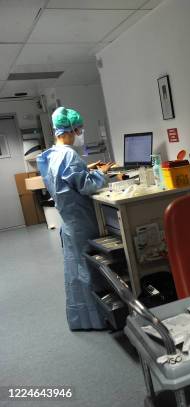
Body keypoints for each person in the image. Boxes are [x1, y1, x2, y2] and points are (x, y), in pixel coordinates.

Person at [37, 107, 114, 330]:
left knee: (76, 272)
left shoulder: (52, 154)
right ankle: (99, 319)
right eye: (79, 129)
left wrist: (86, 168)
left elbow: (63, 179)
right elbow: (86, 185)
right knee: (90, 270)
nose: (80, 133)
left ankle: (82, 318)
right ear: (71, 129)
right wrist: (102, 174)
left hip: (69, 223)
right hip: (82, 222)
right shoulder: (69, 155)